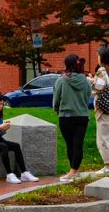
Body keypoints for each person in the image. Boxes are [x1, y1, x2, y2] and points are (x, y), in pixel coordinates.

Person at [0, 93, 39, 184]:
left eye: (2, 104)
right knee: (3, 146)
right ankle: (9, 174)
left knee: (16, 146)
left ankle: (24, 173)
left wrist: (4, 129)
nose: (1, 106)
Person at [53, 53, 92, 182]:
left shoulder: (61, 80)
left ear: (66, 65)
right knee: (78, 144)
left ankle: (73, 172)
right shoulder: (85, 81)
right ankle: (75, 170)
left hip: (66, 116)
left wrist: (57, 109)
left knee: (70, 145)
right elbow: (87, 97)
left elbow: (56, 99)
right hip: (82, 116)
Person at [91, 46, 109, 175]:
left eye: (98, 56)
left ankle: (108, 166)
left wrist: (91, 82)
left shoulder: (102, 70)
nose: (97, 58)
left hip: (103, 110)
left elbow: (98, 87)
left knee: (103, 138)